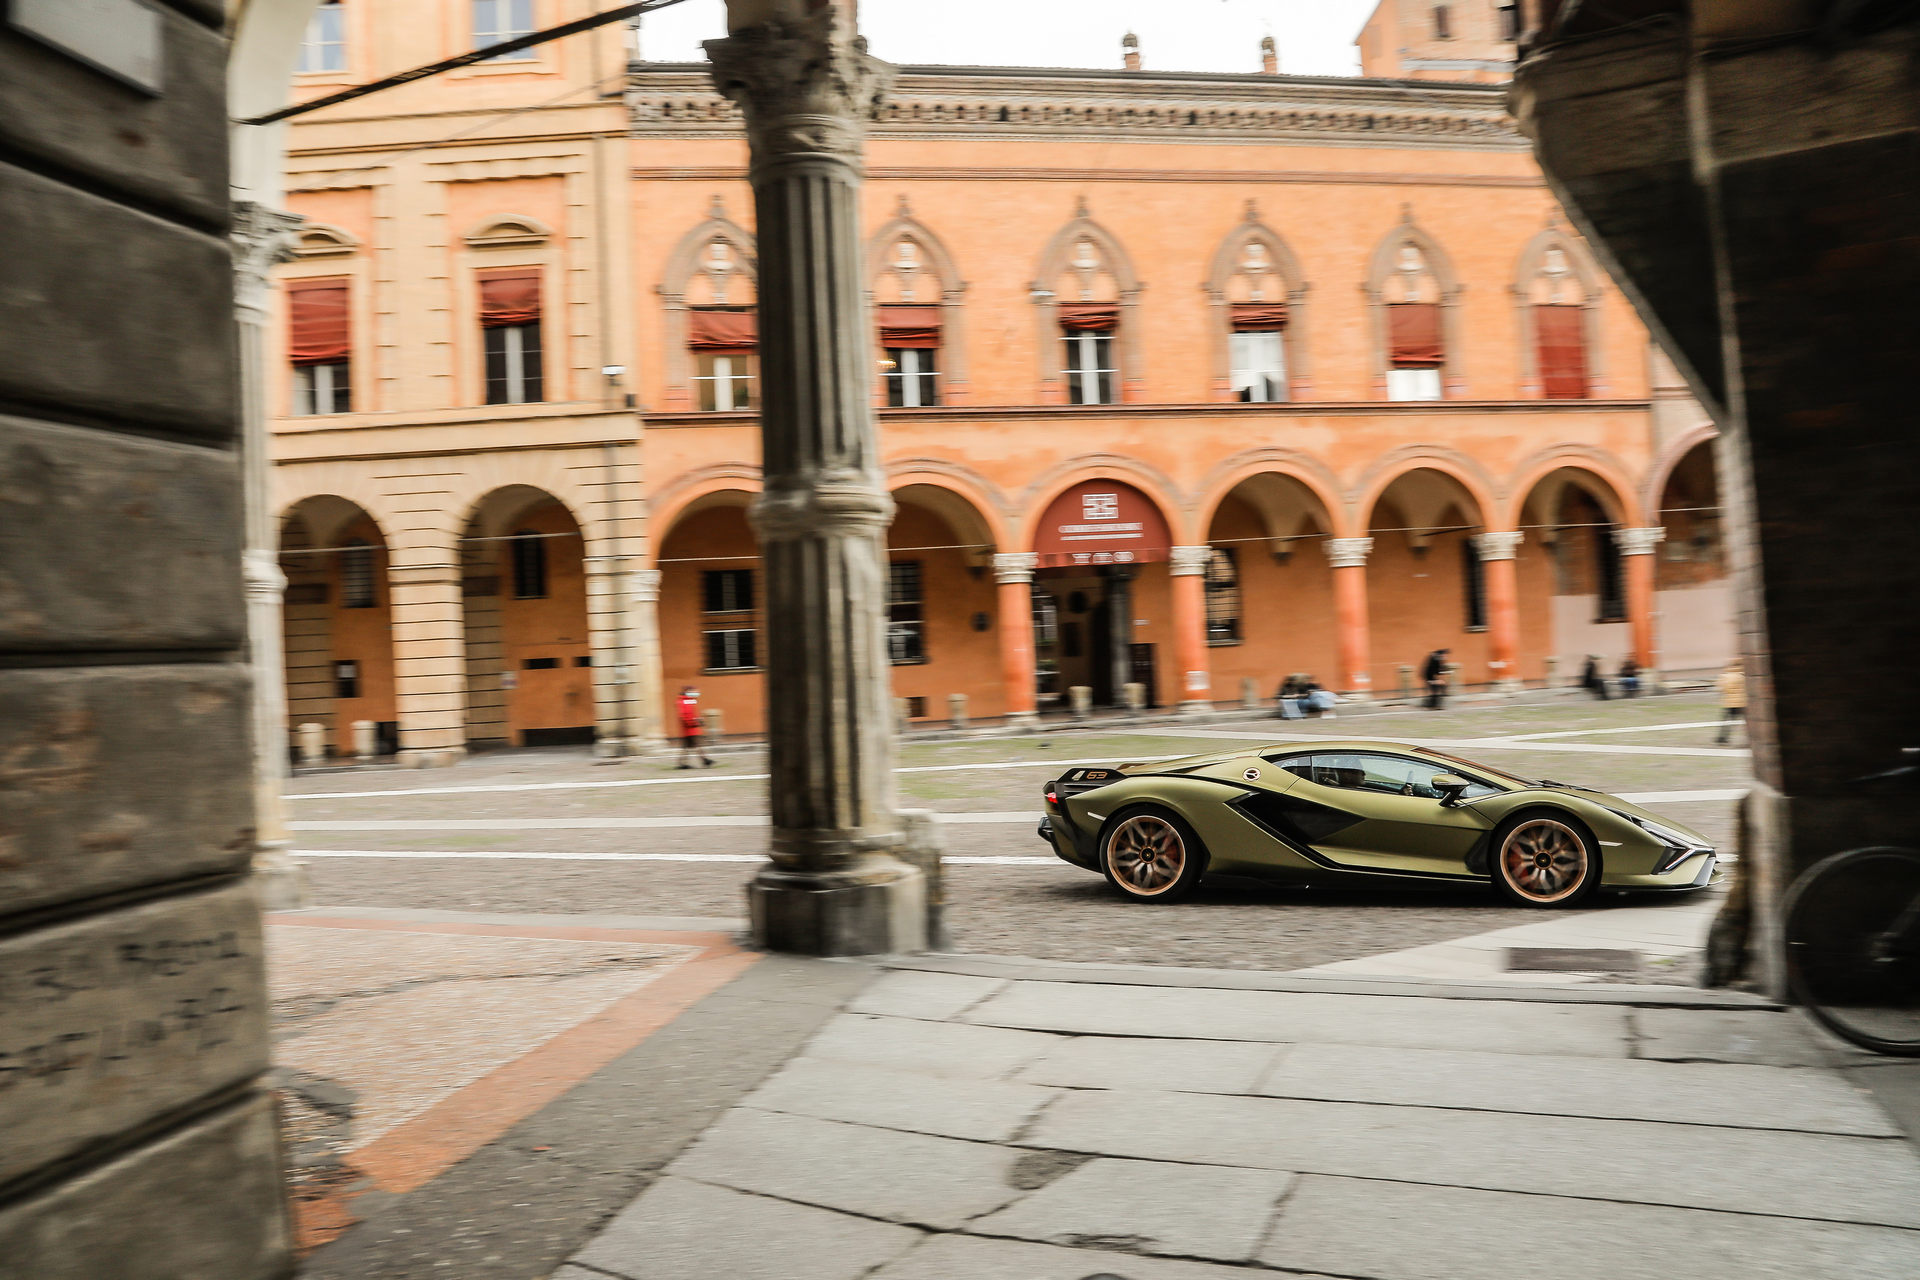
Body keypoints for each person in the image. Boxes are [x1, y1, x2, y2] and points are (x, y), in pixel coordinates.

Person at [675, 685, 714, 768]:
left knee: (687, 746)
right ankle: (705, 761)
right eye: (693, 691)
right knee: (696, 744)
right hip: (689, 728)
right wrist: (694, 723)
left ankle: (682, 763)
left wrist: (699, 720)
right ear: (687, 691)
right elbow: (684, 715)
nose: (695, 693)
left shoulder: (690, 700)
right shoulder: (683, 701)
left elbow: (693, 713)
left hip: (691, 727)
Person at [1716, 659, 1746, 744]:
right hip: (1742, 702)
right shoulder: (1743, 675)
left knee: (1727, 722)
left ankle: (1722, 738)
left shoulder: (1725, 676)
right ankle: (1749, 738)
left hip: (1729, 703)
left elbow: (1721, 689)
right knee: (1747, 722)